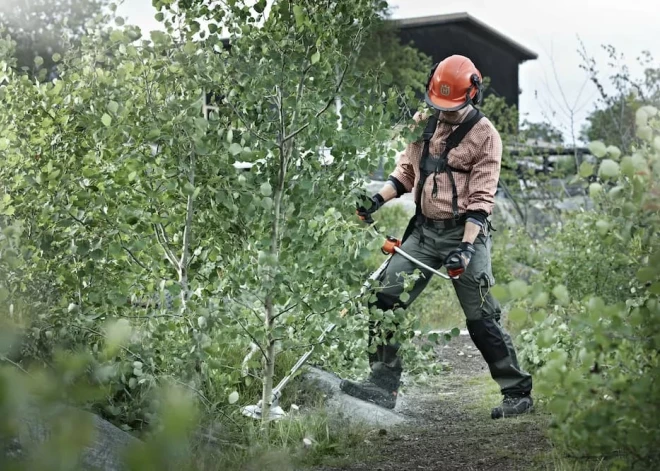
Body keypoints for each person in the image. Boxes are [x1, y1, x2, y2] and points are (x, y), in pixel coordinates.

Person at [340, 55, 533, 419]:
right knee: (384, 297)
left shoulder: (485, 136)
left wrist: (465, 248)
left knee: (480, 315)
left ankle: (516, 391)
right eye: (438, 105)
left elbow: (481, 199)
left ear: (471, 96)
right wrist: (376, 200)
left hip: (465, 233)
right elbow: (407, 172)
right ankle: (382, 384)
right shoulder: (423, 121)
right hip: (425, 231)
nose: (443, 112)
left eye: (452, 107)